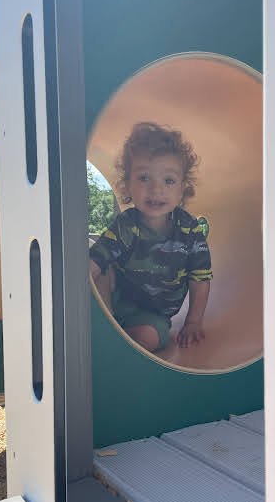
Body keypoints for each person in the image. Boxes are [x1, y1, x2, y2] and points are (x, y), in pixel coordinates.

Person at [89, 122, 212, 353]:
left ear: (182, 189)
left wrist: (193, 322)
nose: (156, 189)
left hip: (152, 315)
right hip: (114, 299)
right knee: (101, 269)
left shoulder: (190, 232)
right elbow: (96, 260)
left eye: (168, 180)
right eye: (144, 178)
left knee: (149, 338)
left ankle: (118, 341)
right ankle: (107, 325)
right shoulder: (126, 223)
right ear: (127, 185)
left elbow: (200, 279)